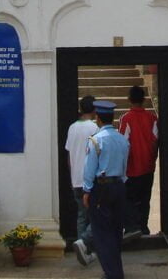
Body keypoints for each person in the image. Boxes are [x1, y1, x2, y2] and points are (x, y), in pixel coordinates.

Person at [82, 100, 130, 279]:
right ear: (112, 118)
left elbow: (89, 169)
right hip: (118, 185)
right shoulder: (122, 140)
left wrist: (87, 191)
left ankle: (113, 273)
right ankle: (115, 269)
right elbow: (125, 166)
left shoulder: (96, 140)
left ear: (98, 118)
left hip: (101, 188)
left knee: (102, 232)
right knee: (116, 230)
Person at [118, 85, 159, 235]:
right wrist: (152, 159)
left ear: (129, 99)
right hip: (148, 166)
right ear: (144, 99)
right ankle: (143, 226)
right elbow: (155, 141)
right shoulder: (152, 118)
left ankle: (132, 227)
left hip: (132, 168)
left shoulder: (126, 118)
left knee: (129, 200)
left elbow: (123, 143)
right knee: (145, 198)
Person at [66, 95, 98, 266]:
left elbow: (69, 155)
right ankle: (85, 244)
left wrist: (73, 176)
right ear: (94, 110)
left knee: (81, 216)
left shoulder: (72, 128)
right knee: (96, 216)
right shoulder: (94, 128)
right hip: (90, 179)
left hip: (76, 179)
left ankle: (82, 246)